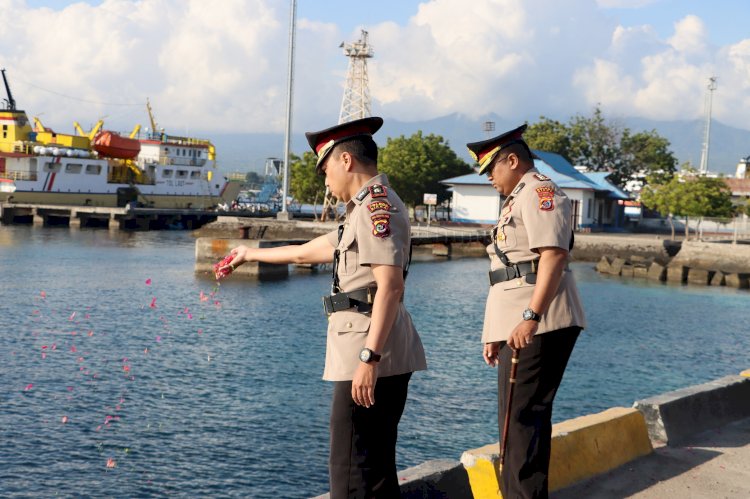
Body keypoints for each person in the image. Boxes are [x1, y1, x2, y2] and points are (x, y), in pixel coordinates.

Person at [221, 116, 427, 498]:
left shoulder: (374, 210)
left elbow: (390, 286)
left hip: (368, 349)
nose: (325, 178)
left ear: (346, 160)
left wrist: (369, 357)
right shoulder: (364, 209)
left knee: (349, 469)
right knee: (374, 468)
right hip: (381, 347)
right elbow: (306, 252)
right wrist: (249, 254)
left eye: (325, 166)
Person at [466, 125, 586, 499]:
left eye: (492, 171)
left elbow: (552, 257)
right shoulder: (519, 197)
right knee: (515, 420)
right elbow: (508, 270)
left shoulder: (539, 192)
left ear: (513, 161)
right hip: (518, 321)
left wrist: (531, 317)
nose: (489, 180)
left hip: (540, 320)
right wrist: (495, 330)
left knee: (523, 419)